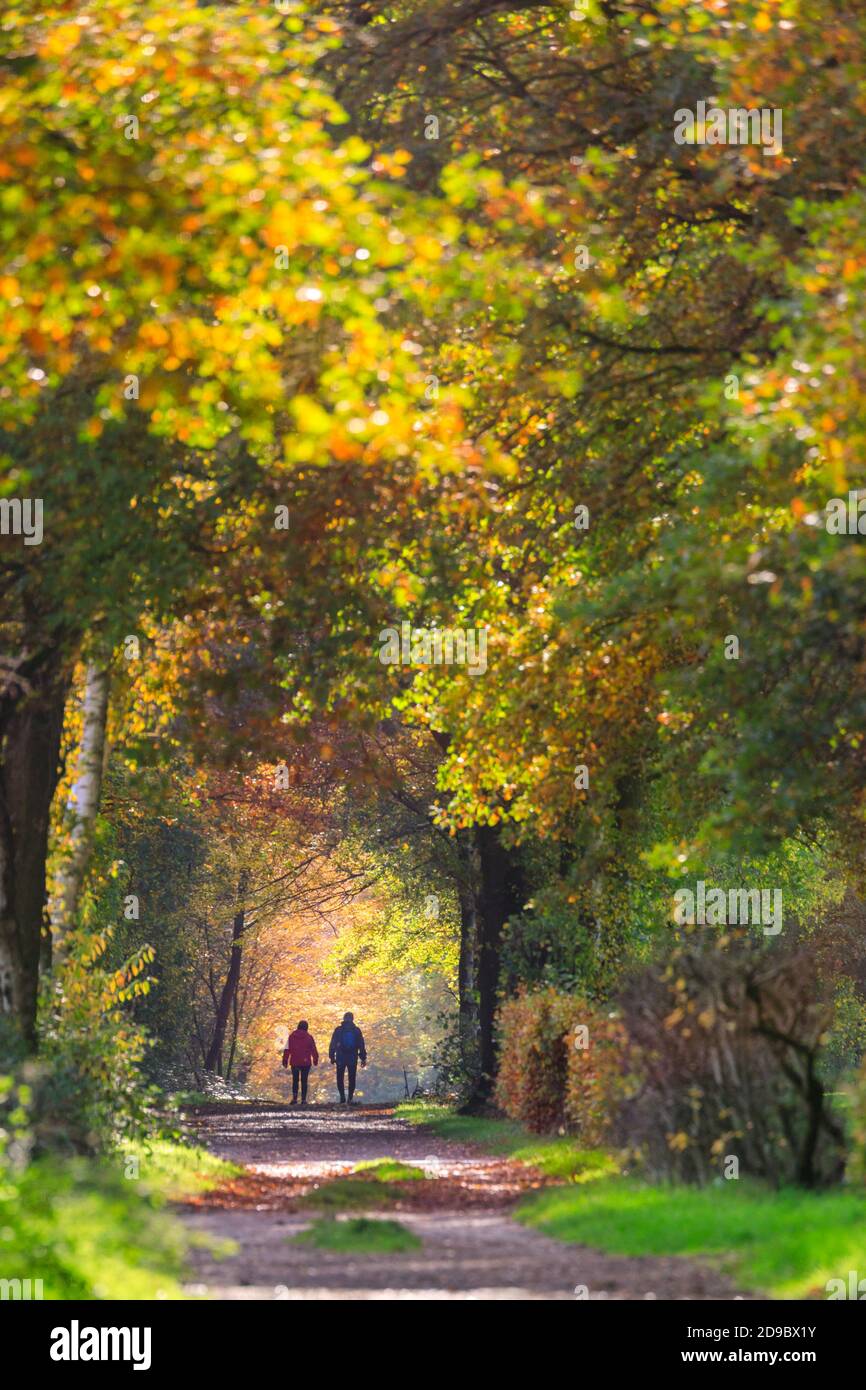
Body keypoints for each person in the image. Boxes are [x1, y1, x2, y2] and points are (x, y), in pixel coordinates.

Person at [328, 1011, 367, 1104]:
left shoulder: (338, 1030)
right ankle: (350, 1097)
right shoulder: (356, 1030)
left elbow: (332, 1043)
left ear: (344, 1019)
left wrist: (332, 1056)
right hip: (352, 1057)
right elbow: (361, 1044)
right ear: (352, 1019)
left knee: (340, 1077)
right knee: (352, 1077)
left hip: (340, 1056)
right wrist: (363, 1057)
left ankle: (342, 1097)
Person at [282, 1020, 319, 1106]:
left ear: (298, 1026)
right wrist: (315, 1059)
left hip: (294, 1061)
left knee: (295, 1080)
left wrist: (285, 1060)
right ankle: (303, 1099)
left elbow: (287, 1050)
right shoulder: (309, 1037)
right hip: (306, 1062)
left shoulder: (291, 1037)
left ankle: (294, 1099)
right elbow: (313, 1049)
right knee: (304, 1080)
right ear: (307, 1027)